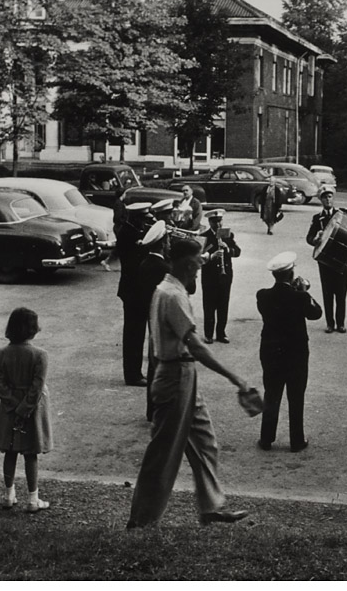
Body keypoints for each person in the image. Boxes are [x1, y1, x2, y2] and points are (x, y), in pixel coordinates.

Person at [127, 237, 251, 528]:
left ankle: (211, 506)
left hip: (181, 374)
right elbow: (195, 345)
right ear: (185, 263)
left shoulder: (169, 289)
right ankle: (141, 522)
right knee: (163, 455)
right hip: (175, 375)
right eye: (197, 262)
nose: (200, 267)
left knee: (205, 442)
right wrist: (235, 377)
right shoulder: (172, 295)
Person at [256, 252, 323, 452]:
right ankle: (297, 440)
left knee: (271, 394)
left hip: (271, 351)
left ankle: (266, 438)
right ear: (291, 274)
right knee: (296, 396)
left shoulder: (262, 295)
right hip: (296, 353)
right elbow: (316, 314)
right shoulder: (300, 297)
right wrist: (305, 293)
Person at [0, 307, 53, 513]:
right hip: (31, 410)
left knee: (9, 453)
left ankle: (9, 495)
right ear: (33, 330)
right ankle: (33, 499)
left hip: (9, 409)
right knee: (30, 454)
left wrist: (12, 405)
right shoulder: (40, 355)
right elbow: (37, 387)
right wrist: (24, 409)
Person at [138, 221, 173, 422]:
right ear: (162, 242)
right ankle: (160, 409)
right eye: (167, 240)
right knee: (162, 366)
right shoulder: (163, 267)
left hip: (152, 318)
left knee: (153, 364)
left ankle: (152, 409)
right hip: (162, 320)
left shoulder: (146, 263)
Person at [117, 202, 155, 386]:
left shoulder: (133, 232)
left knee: (137, 333)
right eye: (143, 220)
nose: (144, 224)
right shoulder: (128, 234)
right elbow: (136, 261)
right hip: (133, 291)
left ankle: (135, 372)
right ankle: (132, 374)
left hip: (135, 291)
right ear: (136, 219)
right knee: (134, 335)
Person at [306, 186, 347, 333]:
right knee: (328, 293)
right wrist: (316, 239)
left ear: (333, 198)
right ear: (321, 200)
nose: (328, 199)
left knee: (341, 293)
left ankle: (341, 323)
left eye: (330, 196)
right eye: (325, 197)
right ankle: (330, 324)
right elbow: (309, 239)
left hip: (341, 259)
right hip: (325, 261)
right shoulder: (317, 219)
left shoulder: (341, 215)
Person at [200, 209, 241, 344]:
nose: (218, 224)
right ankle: (208, 334)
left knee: (223, 305)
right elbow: (199, 257)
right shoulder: (204, 236)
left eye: (220, 221)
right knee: (209, 305)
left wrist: (227, 249)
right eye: (215, 222)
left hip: (225, 276)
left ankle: (221, 333)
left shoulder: (227, 234)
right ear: (210, 222)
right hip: (209, 277)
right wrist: (211, 256)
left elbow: (238, 252)